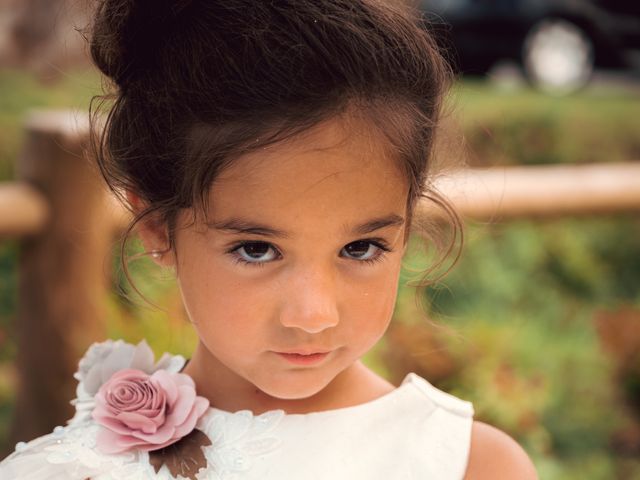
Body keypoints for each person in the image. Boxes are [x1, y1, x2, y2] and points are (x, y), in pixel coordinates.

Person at [0, 0, 538, 478]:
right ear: (157, 228)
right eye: (255, 250)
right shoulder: (74, 471)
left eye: (360, 248)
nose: (313, 314)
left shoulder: (471, 465)